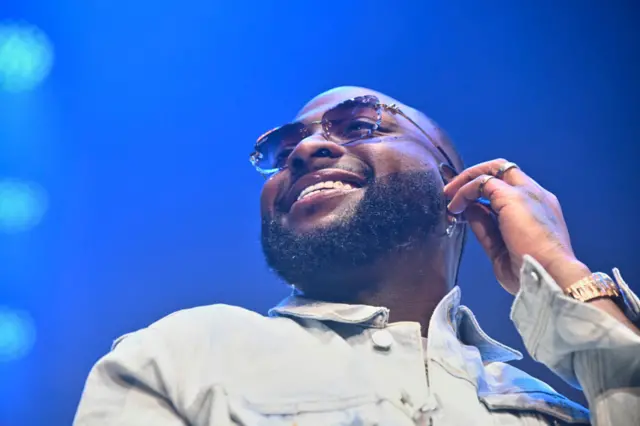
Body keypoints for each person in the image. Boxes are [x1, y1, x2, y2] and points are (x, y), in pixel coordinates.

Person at [74, 87, 640, 426]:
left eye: (360, 126)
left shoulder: (557, 409)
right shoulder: (184, 355)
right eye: (283, 151)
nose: (306, 151)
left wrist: (564, 276)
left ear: (454, 182)